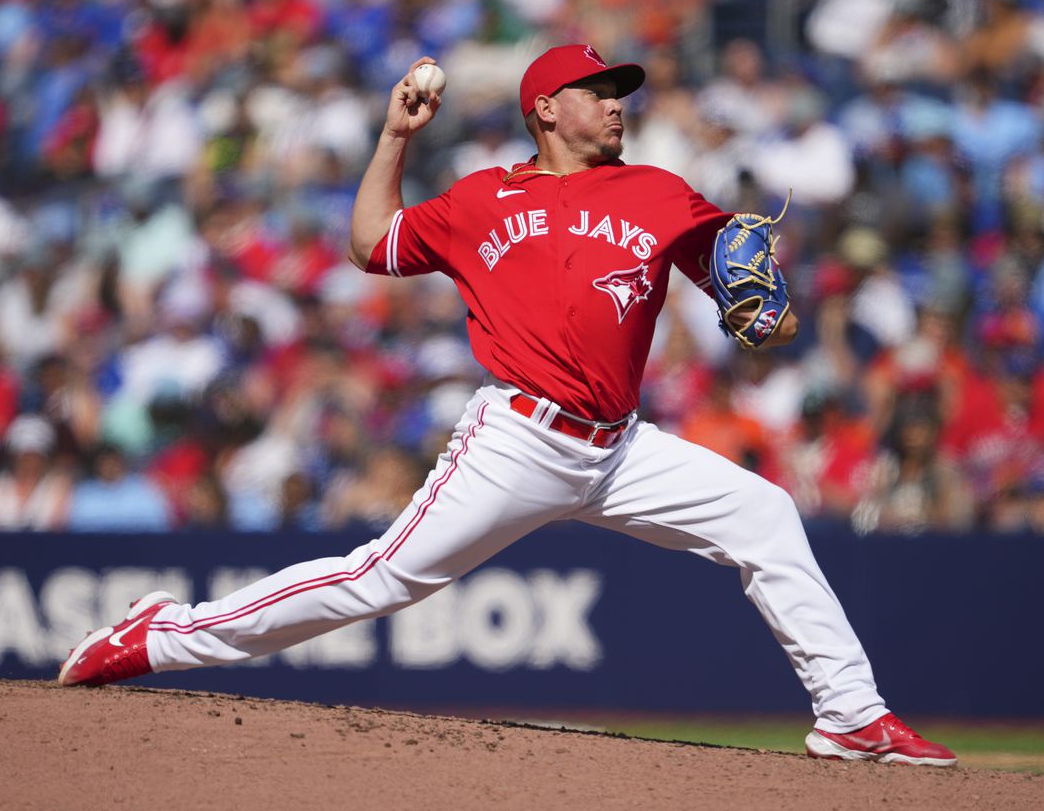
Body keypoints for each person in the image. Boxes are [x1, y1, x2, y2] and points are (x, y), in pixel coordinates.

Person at [58, 45, 956, 766]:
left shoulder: (658, 192)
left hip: (620, 447)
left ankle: (853, 716)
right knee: (377, 578)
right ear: (545, 109)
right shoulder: (484, 197)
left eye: (619, 91)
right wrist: (393, 138)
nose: (615, 103)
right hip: (519, 440)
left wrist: (767, 310)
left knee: (764, 513)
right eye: (596, 90)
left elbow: (748, 288)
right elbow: (370, 240)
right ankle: (160, 638)